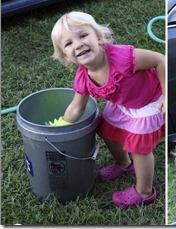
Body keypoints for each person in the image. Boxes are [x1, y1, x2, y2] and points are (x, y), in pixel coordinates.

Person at [50, 11, 166, 208]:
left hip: (151, 101)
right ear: (67, 58)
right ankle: (124, 164)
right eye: (68, 44)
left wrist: (166, 92)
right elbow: (77, 107)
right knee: (106, 129)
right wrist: (60, 127)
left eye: (83, 35)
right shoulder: (84, 77)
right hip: (125, 105)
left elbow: (160, 60)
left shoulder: (123, 57)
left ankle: (144, 192)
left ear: (99, 37)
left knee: (139, 148)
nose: (77, 44)